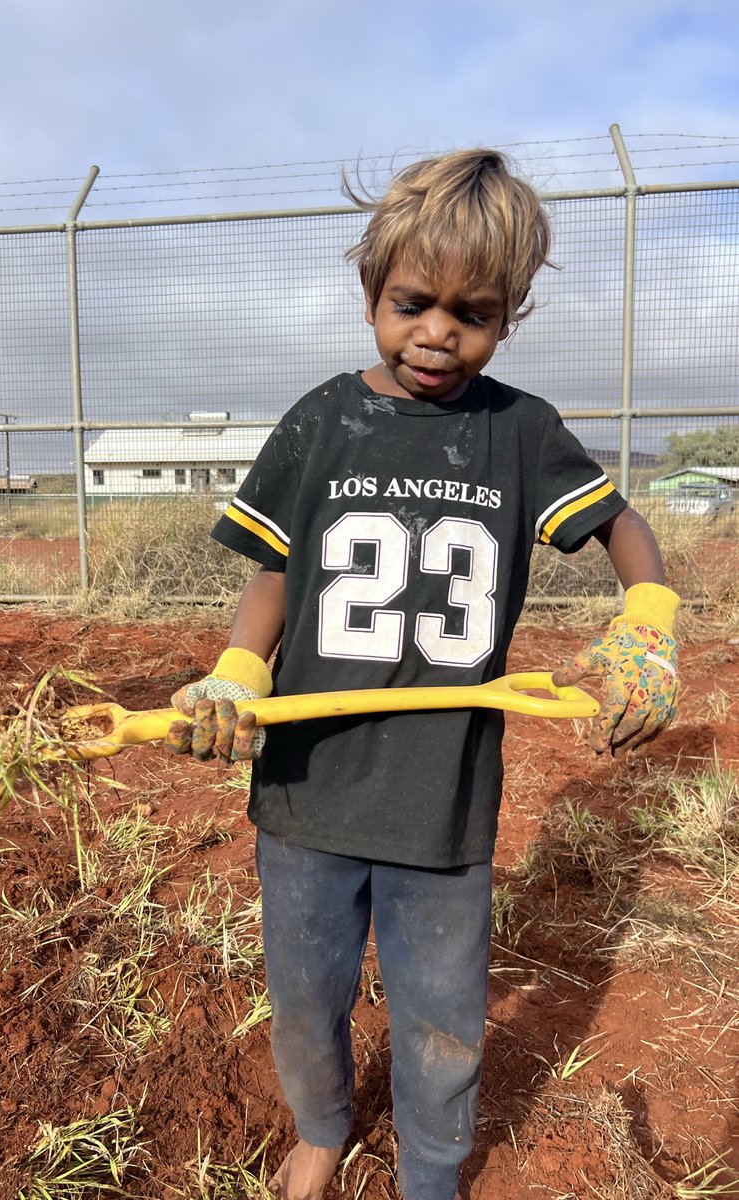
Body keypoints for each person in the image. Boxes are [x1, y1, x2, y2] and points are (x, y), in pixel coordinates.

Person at [164, 149, 679, 1200]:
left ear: (510, 317)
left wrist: (651, 618)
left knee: (442, 1012)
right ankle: (321, 1128)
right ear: (371, 295)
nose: (438, 332)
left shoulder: (519, 432)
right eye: (412, 304)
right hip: (306, 793)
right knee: (305, 995)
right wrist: (233, 673)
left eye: (473, 313)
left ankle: (433, 1174)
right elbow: (274, 577)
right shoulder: (319, 421)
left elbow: (623, 527)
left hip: (443, 809)